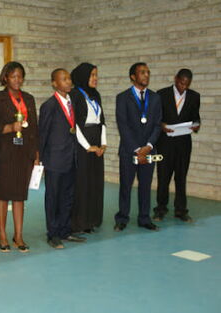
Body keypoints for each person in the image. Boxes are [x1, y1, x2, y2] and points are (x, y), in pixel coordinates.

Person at [0, 61, 39, 253]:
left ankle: (19, 235)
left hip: (23, 153)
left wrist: (36, 154)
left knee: (19, 196)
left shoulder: (29, 99)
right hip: (2, 153)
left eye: (20, 76)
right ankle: (2, 235)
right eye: (13, 76)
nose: (17, 80)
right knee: (2, 195)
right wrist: (8, 128)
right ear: (5, 77)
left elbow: (34, 129)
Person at [39, 68, 87, 249]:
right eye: (64, 79)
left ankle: (65, 230)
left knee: (68, 196)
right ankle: (53, 234)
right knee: (53, 198)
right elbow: (43, 134)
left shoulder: (71, 102)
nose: (68, 81)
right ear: (54, 83)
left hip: (71, 157)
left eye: (69, 78)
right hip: (54, 159)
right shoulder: (49, 106)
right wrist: (41, 159)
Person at [114, 62, 162, 232]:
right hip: (129, 150)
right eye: (142, 73)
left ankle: (144, 218)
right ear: (133, 77)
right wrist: (136, 149)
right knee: (126, 186)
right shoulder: (122, 97)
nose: (146, 75)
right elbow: (123, 125)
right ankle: (122, 218)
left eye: (148, 72)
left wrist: (148, 146)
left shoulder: (155, 98)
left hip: (149, 150)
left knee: (145, 185)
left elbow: (157, 125)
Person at [153, 69, 200, 223]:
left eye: (187, 84)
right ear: (175, 79)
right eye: (181, 83)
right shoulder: (161, 94)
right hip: (165, 142)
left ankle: (181, 210)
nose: (183, 87)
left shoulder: (194, 96)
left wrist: (196, 125)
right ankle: (160, 209)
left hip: (184, 144)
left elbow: (196, 118)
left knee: (181, 178)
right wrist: (162, 125)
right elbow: (156, 118)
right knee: (163, 177)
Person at [70, 63, 107, 234]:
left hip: (96, 141)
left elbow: (102, 121)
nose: (95, 78)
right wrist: (88, 147)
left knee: (95, 182)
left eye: (96, 75)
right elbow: (74, 125)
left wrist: (103, 144)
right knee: (82, 183)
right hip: (82, 143)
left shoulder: (96, 94)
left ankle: (92, 220)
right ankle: (79, 222)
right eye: (92, 75)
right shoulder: (75, 95)